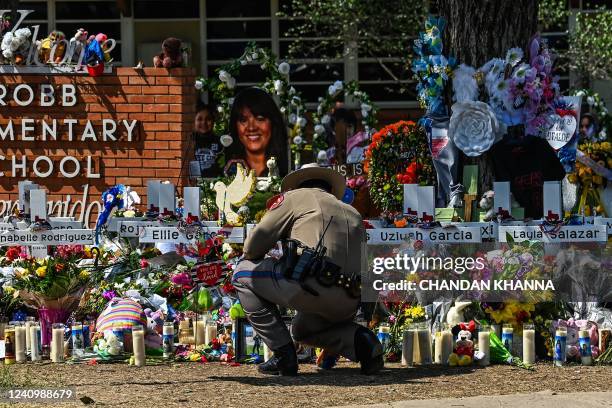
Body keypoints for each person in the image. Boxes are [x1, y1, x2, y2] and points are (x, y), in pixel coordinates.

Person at [232, 163, 383, 376]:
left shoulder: (295, 198)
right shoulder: (353, 212)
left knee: (241, 273)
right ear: (328, 187)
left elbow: (252, 246)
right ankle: (363, 342)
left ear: (299, 185)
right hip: (349, 300)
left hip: (310, 285)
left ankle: (283, 355)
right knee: (302, 330)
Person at [226, 87, 289, 176]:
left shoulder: (291, 166)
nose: (251, 128)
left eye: (260, 119)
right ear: (235, 126)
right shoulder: (226, 169)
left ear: (273, 123)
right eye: (243, 120)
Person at [191, 103, 224, 177]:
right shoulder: (189, 141)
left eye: (208, 119)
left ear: (213, 121)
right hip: (192, 185)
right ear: (194, 121)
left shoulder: (220, 142)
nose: (204, 123)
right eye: (199, 119)